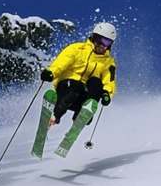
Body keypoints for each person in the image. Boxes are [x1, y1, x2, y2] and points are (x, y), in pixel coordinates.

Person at [30, 22, 118, 158]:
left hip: (82, 96)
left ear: (110, 44)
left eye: (106, 42)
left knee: (96, 83)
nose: (101, 45)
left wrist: (107, 93)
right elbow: (62, 62)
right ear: (93, 38)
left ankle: (82, 115)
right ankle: (54, 115)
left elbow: (109, 80)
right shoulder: (77, 49)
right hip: (66, 89)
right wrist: (51, 72)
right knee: (76, 86)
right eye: (99, 40)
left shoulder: (108, 62)